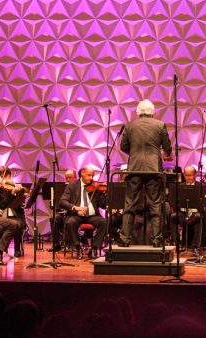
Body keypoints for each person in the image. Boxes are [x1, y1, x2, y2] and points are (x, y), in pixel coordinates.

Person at [118, 99, 172, 247]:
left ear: (138, 111)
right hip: (153, 169)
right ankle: (156, 240)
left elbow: (123, 147)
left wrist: (134, 154)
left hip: (134, 168)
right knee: (155, 204)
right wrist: (166, 153)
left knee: (130, 205)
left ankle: (124, 239)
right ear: (152, 111)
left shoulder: (130, 125)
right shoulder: (160, 125)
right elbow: (167, 147)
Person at [58, 164, 108, 259]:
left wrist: (106, 194)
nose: (91, 178)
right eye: (89, 175)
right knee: (70, 222)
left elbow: (104, 205)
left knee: (104, 222)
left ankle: (94, 248)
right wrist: (75, 207)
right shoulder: (72, 185)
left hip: (92, 216)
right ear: (82, 173)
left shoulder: (96, 187)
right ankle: (78, 247)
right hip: (77, 215)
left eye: (93, 175)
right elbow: (62, 201)